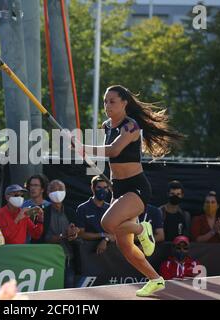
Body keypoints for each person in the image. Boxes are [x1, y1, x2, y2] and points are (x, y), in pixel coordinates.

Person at [77, 84, 183, 297]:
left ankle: (142, 230)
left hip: (136, 187)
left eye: (112, 101)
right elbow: (105, 153)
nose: (107, 106)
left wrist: (84, 147)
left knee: (107, 223)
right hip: (119, 187)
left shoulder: (131, 126)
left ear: (124, 103)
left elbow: (114, 150)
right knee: (124, 246)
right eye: (105, 102)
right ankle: (155, 279)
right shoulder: (107, 125)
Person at [41, 180, 81, 288]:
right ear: (48, 192)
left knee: (68, 290)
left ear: (65, 192)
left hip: (68, 260)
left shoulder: (71, 212)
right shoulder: (43, 213)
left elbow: (78, 235)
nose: (57, 192)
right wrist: (64, 236)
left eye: (60, 189)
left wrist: (74, 233)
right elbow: (44, 238)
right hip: (48, 261)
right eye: (54, 189)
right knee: (50, 289)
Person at [77, 175, 114, 255]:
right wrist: (102, 235)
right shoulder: (83, 208)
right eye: (99, 187)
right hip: (88, 251)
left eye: (105, 188)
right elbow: (81, 234)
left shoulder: (111, 208)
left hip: (109, 252)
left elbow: (115, 233)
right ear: (92, 188)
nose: (102, 190)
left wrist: (105, 239)